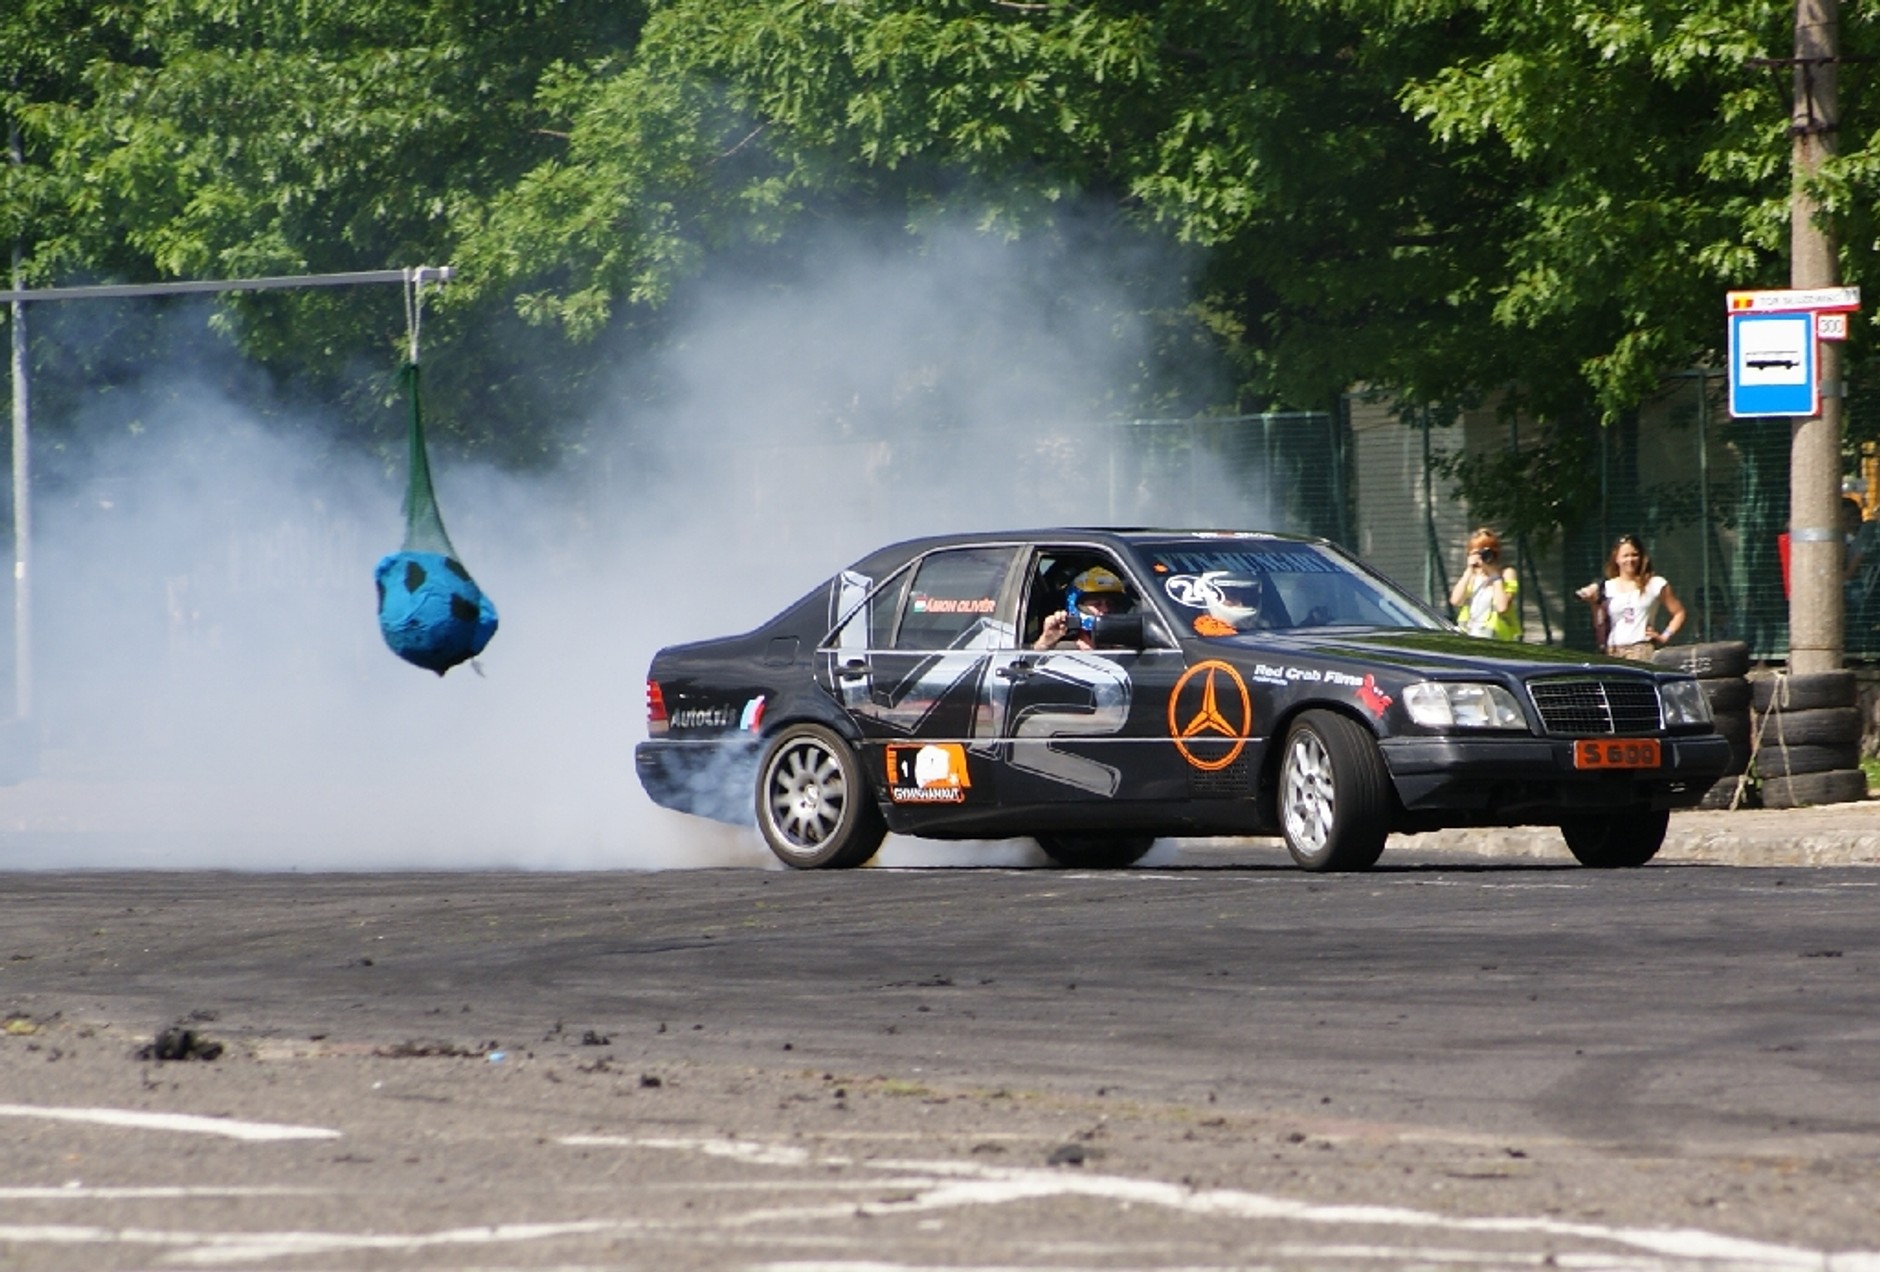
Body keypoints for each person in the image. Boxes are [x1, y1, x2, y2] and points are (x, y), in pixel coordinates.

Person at [1576, 533, 1685, 660]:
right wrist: (1593, 604)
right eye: (1625, 556)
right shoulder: (1607, 587)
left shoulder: (1655, 584)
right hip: (1613, 649)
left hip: (1641, 648)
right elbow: (1600, 623)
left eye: (1634, 555)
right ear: (1616, 558)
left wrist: (1664, 636)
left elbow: (1679, 613)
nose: (1630, 560)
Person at [1034, 565, 1134, 650]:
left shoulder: (1126, 650)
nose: (1105, 609)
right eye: (1097, 604)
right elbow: (1031, 667)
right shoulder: (1065, 651)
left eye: (1110, 604)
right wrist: (1045, 642)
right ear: (1077, 605)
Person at [1448, 528, 1521, 640]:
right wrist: (1469, 570)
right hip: (1469, 633)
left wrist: (1494, 575)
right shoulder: (1472, 576)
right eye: (1477, 552)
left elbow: (1502, 608)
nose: (1482, 556)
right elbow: (1456, 601)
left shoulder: (1506, 574)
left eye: (1486, 552)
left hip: (1496, 637)